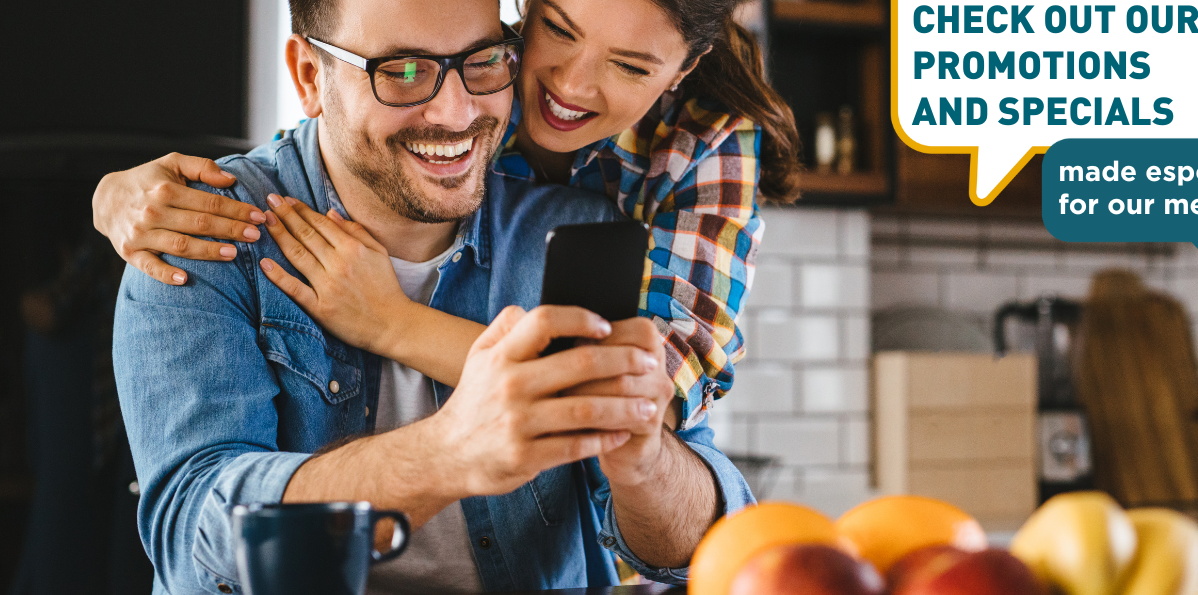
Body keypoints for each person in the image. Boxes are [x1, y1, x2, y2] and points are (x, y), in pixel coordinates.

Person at [111, 1, 752, 593]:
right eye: (404, 71)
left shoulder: (586, 231)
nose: (453, 113)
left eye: (480, 63)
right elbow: (190, 529)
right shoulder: (195, 226)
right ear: (309, 75)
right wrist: (445, 455)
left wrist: (643, 463)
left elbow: (700, 542)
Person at [93, 0, 802, 432]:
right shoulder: (481, 71)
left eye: (629, 66)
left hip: (595, 516)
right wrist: (113, 193)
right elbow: (350, 133)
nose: (569, 83)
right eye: (557, 29)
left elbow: (638, 394)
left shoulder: (707, 142)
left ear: (681, 69)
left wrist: (392, 322)